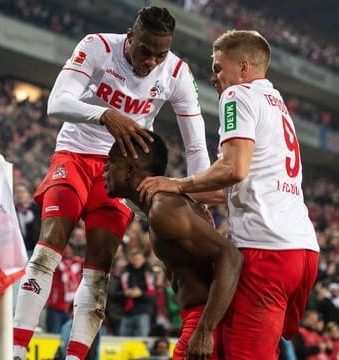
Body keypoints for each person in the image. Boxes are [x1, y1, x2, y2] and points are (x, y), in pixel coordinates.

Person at [13, 6, 210, 359]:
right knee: (49, 244)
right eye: (144, 50)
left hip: (120, 172)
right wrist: (105, 114)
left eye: (159, 54)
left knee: (100, 266)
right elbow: (56, 102)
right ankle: (15, 350)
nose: (150, 61)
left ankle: (75, 356)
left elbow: (196, 146)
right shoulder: (98, 46)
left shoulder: (178, 72)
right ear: (130, 36)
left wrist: (201, 200)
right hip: (74, 153)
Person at [137, 30, 320, 359]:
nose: (214, 76)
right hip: (302, 251)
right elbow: (237, 185)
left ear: (244, 67)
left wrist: (178, 185)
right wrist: (190, 195)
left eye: (219, 67)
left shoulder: (238, 96)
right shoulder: (276, 104)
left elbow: (234, 168)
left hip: (267, 249)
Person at [103, 130, 242, 359]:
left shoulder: (164, 207)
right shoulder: (161, 204)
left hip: (204, 318)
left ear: (130, 171)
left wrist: (205, 330)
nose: (104, 169)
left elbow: (230, 256)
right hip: (203, 317)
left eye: (111, 163)